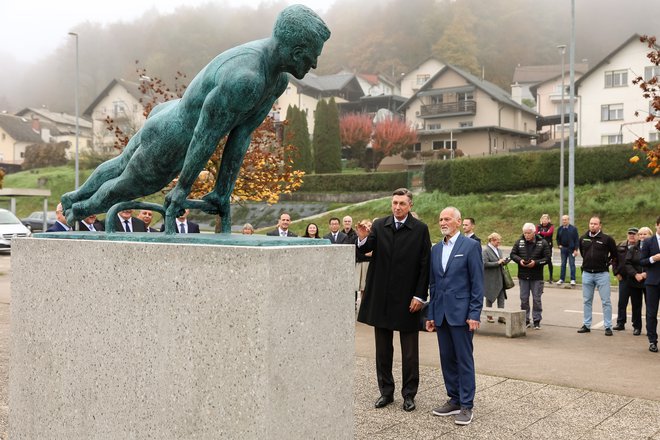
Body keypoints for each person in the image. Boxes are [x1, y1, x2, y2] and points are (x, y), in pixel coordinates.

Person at [60, 5, 331, 233]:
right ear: (296, 51)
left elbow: (241, 135)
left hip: (171, 114)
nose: (314, 65)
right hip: (172, 141)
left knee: (121, 165)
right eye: (313, 56)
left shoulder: (276, 81)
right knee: (127, 186)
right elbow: (206, 135)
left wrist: (221, 191)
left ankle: (73, 197)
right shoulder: (246, 79)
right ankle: (79, 209)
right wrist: (182, 189)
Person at [356, 188, 430, 413]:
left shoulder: (420, 229)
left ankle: (409, 394)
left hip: (408, 299)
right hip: (382, 298)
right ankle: (386, 392)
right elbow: (366, 249)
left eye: (402, 204)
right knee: (382, 350)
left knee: (409, 352)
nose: (397, 207)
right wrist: (361, 237)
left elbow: (425, 264)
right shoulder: (380, 225)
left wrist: (420, 295)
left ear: (410, 206)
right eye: (395, 203)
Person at [426, 206, 483, 426]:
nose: (443, 222)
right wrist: (431, 313)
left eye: (447, 219)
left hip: (462, 315)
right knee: (447, 359)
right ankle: (455, 399)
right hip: (441, 314)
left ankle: (467, 405)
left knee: (464, 360)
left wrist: (474, 313)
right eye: (440, 219)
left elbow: (477, 283)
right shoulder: (436, 249)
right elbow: (433, 284)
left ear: (458, 222)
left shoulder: (470, 246)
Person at [577, 216, 618, 336]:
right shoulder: (583, 238)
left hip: (602, 274)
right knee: (587, 301)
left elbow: (614, 254)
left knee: (606, 301)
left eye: (595, 224)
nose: (593, 226)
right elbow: (582, 252)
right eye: (591, 223)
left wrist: (607, 262)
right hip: (587, 274)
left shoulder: (607, 239)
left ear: (600, 225)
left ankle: (608, 326)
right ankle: (586, 325)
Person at [510, 223, 551, 329]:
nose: (526, 235)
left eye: (528, 233)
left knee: (536, 299)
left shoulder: (542, 242)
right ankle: (526, 319)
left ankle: (537, 320)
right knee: (524, 299)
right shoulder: (519, 242)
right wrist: (520, 261)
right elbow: (513, 254)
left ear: (534, 232)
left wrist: (536, 263)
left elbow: (547, 258)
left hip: (536, 276)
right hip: (523, 275)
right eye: (525, 233)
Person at [623, 226, 652, 336]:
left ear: (650, 235)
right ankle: (637, 327)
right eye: (640, 234)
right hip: (635, 281)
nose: (642, 236)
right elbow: (627, 263)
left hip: (650, 281)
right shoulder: (633, 249)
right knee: (636, 306)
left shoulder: (654, 248)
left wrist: (646, 274)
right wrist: (635, 274)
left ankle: (650, 328)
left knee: (650, 307)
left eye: (645, 234)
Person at [613, 228, 640, 331]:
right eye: (630, 234)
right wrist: (616, 273)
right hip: (623, 278)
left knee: (636, 304)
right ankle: (620, 323)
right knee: (622, 302)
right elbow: (614, 260)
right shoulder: (621, 245)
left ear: (637, 235)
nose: (631, 236)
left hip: (635, 279)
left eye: (634, 234)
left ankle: (636, 326)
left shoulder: (640, 247)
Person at [640, 216, 660, 353]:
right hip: (653, 282)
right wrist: (653, 258)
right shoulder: (648, 242)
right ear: (656, 226)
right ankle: (652, 340)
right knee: (651, 313)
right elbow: (641, 261)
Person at [482, 232, 507, 323]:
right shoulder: (485, 251)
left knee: (501, 296)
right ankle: (489, 315)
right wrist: (497, 263)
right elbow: (484, 263)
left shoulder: (499, 250)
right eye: (497, 242)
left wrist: (504, 261)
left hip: (499, 276)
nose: (499, 243)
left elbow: (500, 261)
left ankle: (501, 315)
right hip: (490, 277)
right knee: (490, 295)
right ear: (492, 241)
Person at [556, 215, 579, 286]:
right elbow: (557, 238)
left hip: (571, 249)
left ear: (568, 220)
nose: (564, 221)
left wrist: (576, 249)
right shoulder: (560, 229)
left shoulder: (573, 229)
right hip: (563, 249)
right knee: (563, 264)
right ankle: (561, 279)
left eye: (565, 220)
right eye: (563, 220)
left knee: (572, 264)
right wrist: (559, 245)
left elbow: (576, 240)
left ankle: (573, 279)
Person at [354, 219, 372, 308]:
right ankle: (364, 307)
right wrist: (366, 255)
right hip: (361, 264)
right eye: (365, 225)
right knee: (362, 287)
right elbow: (358, 254)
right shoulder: (357, 238)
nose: (367, 228)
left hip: (372, 266)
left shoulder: (375, 236)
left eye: (369, 225)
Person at [536, 214, 555, 283]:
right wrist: (542, 233)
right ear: (541, 220)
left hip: (548, 246)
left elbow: (549, 233)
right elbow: (536, 233)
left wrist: (540, 232)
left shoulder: (551, 226)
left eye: (546, 219)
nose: (544, 220)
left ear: (548, 220)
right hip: (540, 246)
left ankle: (551, 277)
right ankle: (540, 277)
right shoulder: (538, 226)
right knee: (540, 261)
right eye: (543, 219)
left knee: (549, 261)